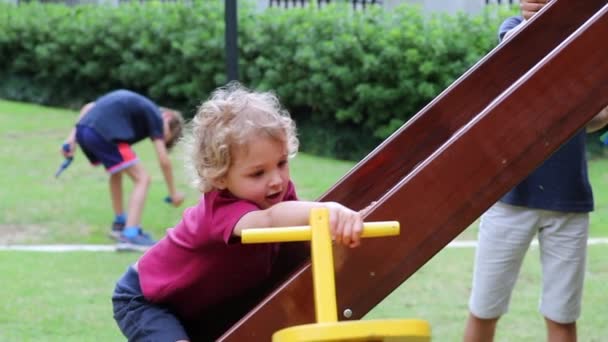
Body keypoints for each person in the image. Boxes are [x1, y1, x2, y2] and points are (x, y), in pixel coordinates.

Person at [111, 82, 368, 341]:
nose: (276, 180)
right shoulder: (222, 206)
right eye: (258, 173)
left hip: (198, 306)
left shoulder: (276, 193)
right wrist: (327, 211)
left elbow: (295, 234)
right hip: (148, 300)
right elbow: (268, 222)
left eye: (281, 163)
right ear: (220, 176)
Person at [463, 2, 608, 341]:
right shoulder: (513, 29)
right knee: (484, 310)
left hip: (568, 201)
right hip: (510, 199)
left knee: (562, 317)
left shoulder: (586, 41)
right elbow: (515, 51)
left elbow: (595, 119)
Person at [62, 89, 186, 250]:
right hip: (105, 134)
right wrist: (173, 193)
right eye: (165, 136)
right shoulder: (156, 115)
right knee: (143, 179)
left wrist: (71, 139)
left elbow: (89, 107)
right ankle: (130, 234)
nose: (159, 138)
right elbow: (164, 160)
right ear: (168, 117)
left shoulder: (139, 112)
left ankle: (119, 224)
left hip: (85, 131)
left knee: (117, 170)